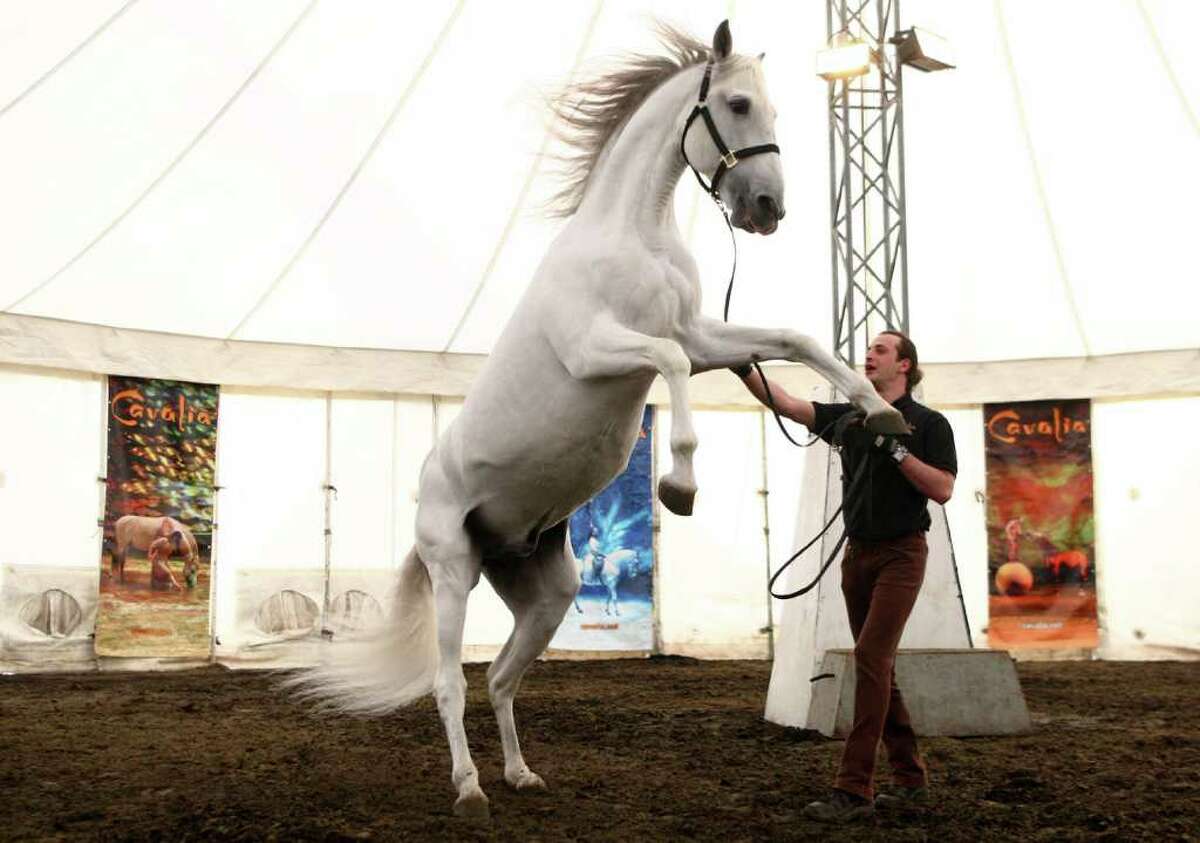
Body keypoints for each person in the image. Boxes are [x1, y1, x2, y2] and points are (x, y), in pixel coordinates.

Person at [732, 330, 957, 823]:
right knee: (879, 667)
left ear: (905, 366)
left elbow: (941, 489)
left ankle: (854, 788)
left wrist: (896, 450)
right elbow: (790, 406)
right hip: (857, 556)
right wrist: (745, 368)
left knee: (871, 658)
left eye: (881, 350)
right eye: (869, 350)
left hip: (902, 554)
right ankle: (910, 777)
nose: (869, 356)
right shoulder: (851, 417)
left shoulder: (928, 423)